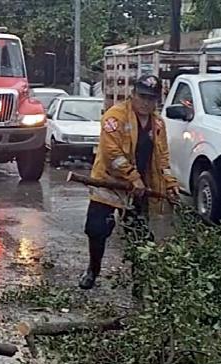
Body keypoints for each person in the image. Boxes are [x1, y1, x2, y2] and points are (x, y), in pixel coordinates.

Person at [79, 74, 179, 290]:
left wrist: (170, 183)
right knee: (97, 229)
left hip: (139, 189)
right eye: (142, 97)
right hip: (109, 182)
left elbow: (162, 158)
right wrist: (133, 177)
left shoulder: (158, 124)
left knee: (139, 233)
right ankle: (93, 270)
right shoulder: (115, 117)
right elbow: (112, 154)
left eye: (151, 98)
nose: (146, 103)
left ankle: (139, 280)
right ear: (133, 95)